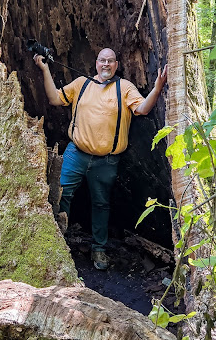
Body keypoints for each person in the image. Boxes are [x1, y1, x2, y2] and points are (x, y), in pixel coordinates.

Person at [34, 48, 167, 270]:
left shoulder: (124, 88)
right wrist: (45, 69)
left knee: (101, 203)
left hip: (106, 160)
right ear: (96, 63)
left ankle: (99, 249)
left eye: (110, 61)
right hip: (76, 153)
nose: (106, 64)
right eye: (102, 60)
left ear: (116, 64)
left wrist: (157, 89)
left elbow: (142, 109)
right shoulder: (81, 84)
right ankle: (57, 242)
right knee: (61, 194)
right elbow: (55, 98)